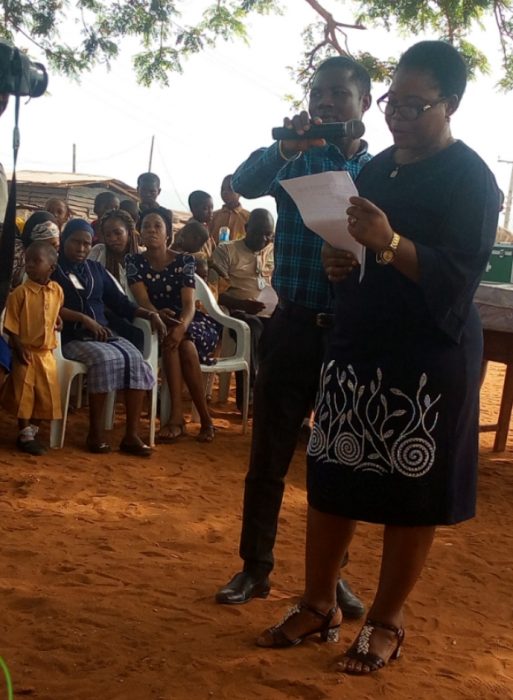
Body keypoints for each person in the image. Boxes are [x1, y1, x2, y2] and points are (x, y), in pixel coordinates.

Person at [256, 41, 501, 676]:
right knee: (331, 479)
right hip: (357, 346)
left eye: (414, 106)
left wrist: (389, 242)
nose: (397, 117)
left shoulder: (471, 179)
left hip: (426, 359)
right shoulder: (378, 167)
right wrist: (342, 259)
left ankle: (387, 621)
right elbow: (354, 242)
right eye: (394, 102)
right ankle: (318, 605)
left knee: (411, 493)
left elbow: (457, 275)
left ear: (451, 105)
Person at [215, 55, 372, 617]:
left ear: (364, 104)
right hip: (293, 327)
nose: (325, 103)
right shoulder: (298, 156)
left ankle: (331, 578)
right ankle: (254, 568)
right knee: (269, 456)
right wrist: (286, 146)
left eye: (338, 94)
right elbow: (244, 183)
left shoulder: (382, 171)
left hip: (351, 337)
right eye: (317, 93)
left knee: (339, 464)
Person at [53, 218, 166, 456]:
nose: (81, 248)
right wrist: (83, 319)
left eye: (86, 243)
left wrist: (150, 314)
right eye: (75, 242)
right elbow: (47, 304)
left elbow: (121, 303)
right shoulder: (53, 269)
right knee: (105, 360)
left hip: (103, 334)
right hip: (71, 337)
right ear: (64, 241)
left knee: (136, 359)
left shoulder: (95, 270)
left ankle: (131, 435)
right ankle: (95, 433)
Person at [126, 208, 219, 444]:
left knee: (180, 343)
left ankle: (179, 418)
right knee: (179, 345)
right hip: (157, 320)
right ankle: (202, 420)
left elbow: (189, 305)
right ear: (140, 233)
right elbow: (143, 300)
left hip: (191, 321)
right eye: (146, 226)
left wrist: (180, 327)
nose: (151, 230)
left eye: (157, 226)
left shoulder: (185, 261)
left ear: (168, 233)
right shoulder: (134, 262)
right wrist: (158, 316)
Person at [208, 208, 275, 410]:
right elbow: (213, 292)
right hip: (237, 312)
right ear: (246, 228)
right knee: (252, 327)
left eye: (268, 234)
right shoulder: (226, 251)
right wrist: (243, 305)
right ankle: (249, 396)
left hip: (271, 312)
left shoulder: (274, 252)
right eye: (257, 232)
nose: (263, 239)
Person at [1, 241, 63, 455]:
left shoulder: (57, 290)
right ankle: (24, 433)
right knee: (24, 395)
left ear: (51, 268)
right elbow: (10, 324)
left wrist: (58, 320)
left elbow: (54, 311)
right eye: (28, 261)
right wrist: (18, 347)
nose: (30, 265)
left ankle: (34, 429)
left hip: (46, 354)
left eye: (37, 261)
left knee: (46, 394)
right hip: (26, 352)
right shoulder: (20, 293)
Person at [88, 208, 144, 351]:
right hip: (106, 317)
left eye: (118, 233)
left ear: (129, 233)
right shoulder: (99, 252)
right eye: (108, 234)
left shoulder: (142, 257)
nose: (112, 239)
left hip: (138, 315)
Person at [209, 174, 251, 244]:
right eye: (222, 189)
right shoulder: (212, 216)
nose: (225, 192)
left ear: (240, 192)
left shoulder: (249, 218)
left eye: (230, 189)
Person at [187, 190, 216, 258]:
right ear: (193, 209)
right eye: (205, 208)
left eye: (212, 208)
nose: (210, 212)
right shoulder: (193, 230)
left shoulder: (203, 226)